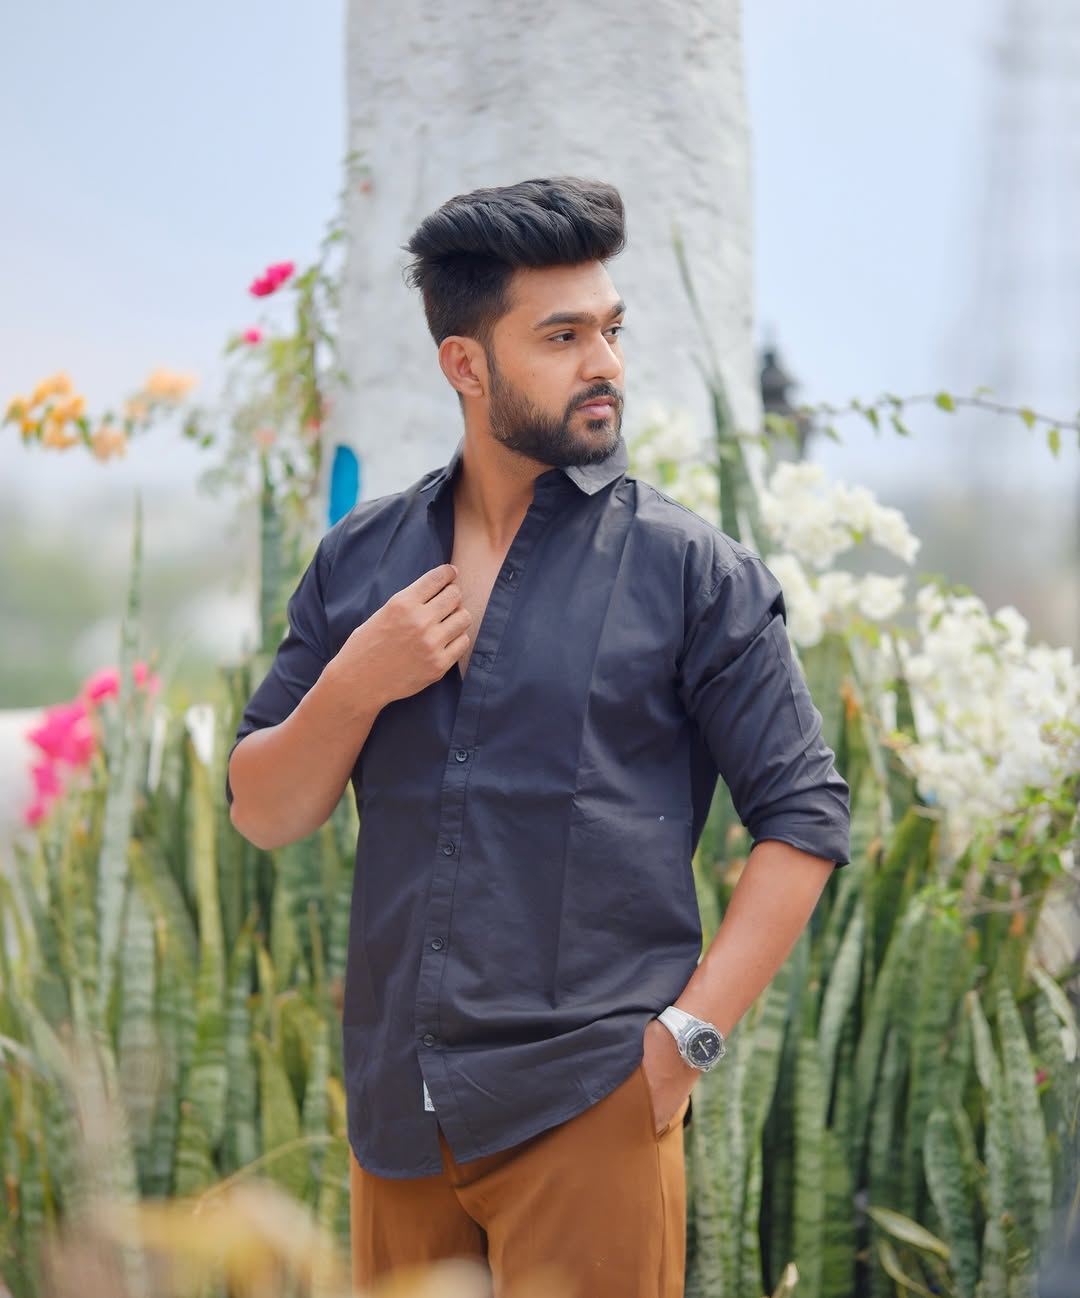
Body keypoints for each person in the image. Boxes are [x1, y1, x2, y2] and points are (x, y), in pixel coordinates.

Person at [227, 176, 850, 1297]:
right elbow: (264, 811)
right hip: (398, 1116)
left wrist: (685, 1043)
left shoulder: (690, 571)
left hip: (589, 1103)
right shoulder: (361, 561)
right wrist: (356, 684)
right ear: (465, 364)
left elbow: (804, 818)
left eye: (611, 329)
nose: (603, 362)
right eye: (562, 337)